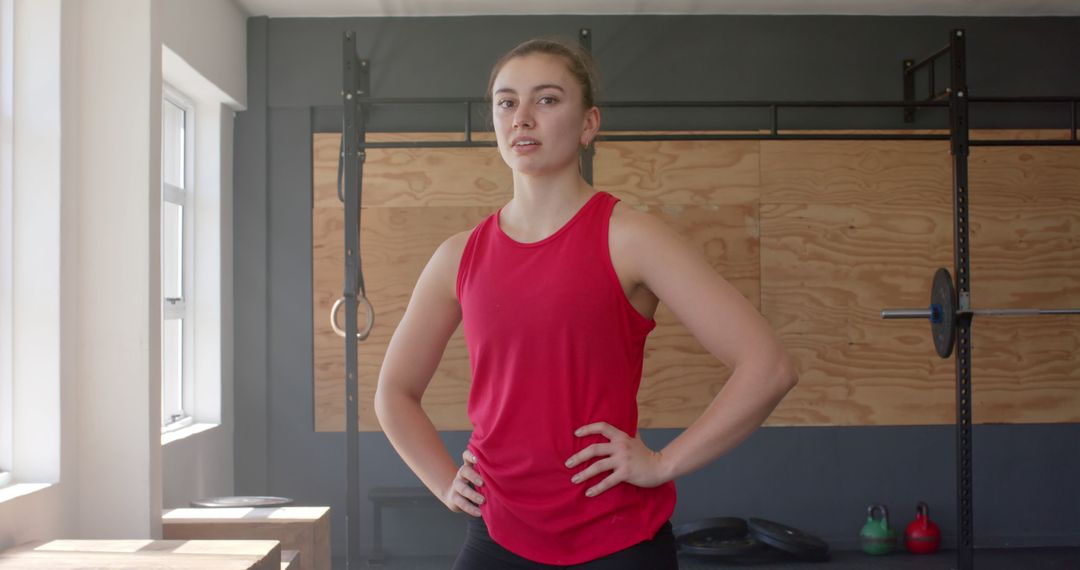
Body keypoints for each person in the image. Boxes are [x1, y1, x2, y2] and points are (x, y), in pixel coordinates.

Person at [374, 37, 799, 569]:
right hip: (498, 533)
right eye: (507, 102)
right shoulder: (457, 257)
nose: (522, 117)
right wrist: (443, 482)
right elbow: (394, 392)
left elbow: (769, 366)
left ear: (589, 124)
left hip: (618, 540)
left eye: (547, 100)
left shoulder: (632, 238)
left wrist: (664, 462)